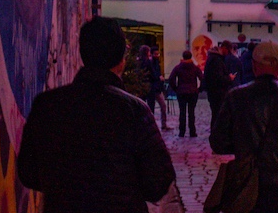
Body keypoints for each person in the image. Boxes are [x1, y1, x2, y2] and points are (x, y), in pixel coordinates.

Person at [17, 17, 175, 212]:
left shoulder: (47, 105)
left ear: (83, 53)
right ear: (121, 60)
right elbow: (158, 182)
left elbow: (28, 172)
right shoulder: (134, 111)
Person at [209, 41, 278, 213]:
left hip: (247, 182)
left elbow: (218, 142)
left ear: (254, 66)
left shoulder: (236, 97)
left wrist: (244, 145)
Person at [167, 49, 203, 137]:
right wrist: (199, 89)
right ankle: (192, 131)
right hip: (193, 92)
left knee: (182, 112)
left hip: (181, 92)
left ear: (183, 57)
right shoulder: (195, 68)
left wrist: (176, 89)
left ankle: (181, 132)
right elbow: (203, 78)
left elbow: (171, 79)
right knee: (191, 112)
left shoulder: (178, 67)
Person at [204, 41, 236, 122]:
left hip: (213, 92)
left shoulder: (213, 58)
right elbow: (218, 78)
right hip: (217, 93)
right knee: (218, 116)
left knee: (216, 115)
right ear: (224, 48)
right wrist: (229, 78)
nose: (228, 53)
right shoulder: (216, 60)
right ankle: (216, 134)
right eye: (228, 50)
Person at [150, 47, 171, 130]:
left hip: (157, 88)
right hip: (153, 88)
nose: (157, 55)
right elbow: (153, 75)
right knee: (153, 107)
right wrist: (159, 78)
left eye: (158, 54)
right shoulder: (151, 63)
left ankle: (163, 125)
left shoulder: (157, 63)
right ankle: (154, 126)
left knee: (163, 106)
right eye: (155, 54)